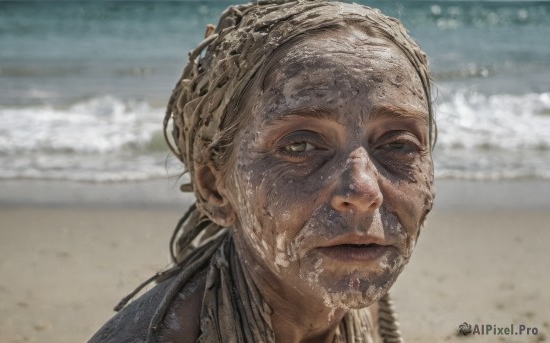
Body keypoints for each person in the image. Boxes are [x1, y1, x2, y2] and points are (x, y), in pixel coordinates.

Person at [89, 0, 435, 342]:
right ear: (216, 190)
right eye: (299, 145)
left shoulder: (359, 299)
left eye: (399, 145)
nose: (363, 191)